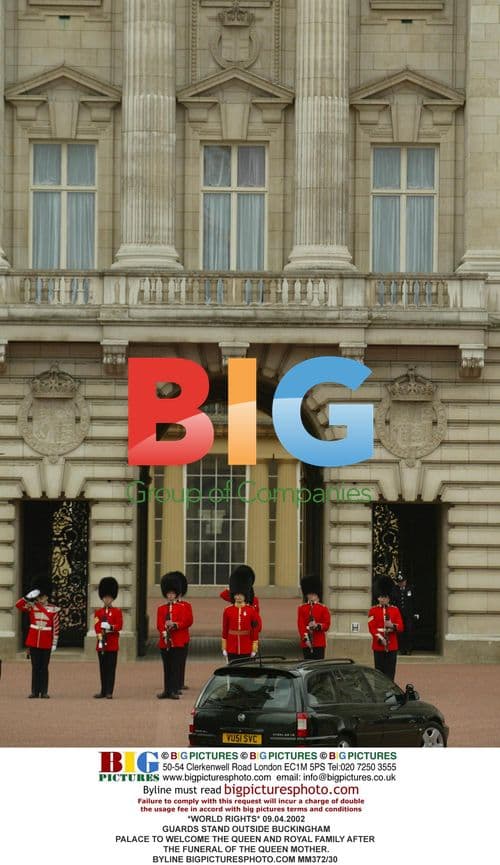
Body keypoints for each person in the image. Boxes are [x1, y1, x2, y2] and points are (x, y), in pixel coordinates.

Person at [16, 578, 60, 698]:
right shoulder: (32, 606)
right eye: (39, 596)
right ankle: (35, 691)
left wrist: (54, 642)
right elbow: (18, 605)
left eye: (43, 596)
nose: (40, 598)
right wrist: (27, 597)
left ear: (47, 596)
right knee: (35, 667)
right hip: (34, 641)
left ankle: (44, 691)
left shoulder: (53, 609)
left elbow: (56, 626)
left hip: (46, 642)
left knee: (44, 667)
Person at [157, 572, 192, 699]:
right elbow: (159, 623)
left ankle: (173, 689)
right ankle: (167, 690)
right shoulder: (161, 608)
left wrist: (175, 625)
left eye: (172, 594)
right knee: (167, 667)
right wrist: (164, 631)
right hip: (165, 641)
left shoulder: (182, 607)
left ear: (176, 594)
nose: (170, 596)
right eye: (168, 594)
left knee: (175, 666)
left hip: (177, 641)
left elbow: (185, 622)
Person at [368, 576, 404, 681]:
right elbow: (371, 627)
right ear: (378, 598)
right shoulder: (372, 611)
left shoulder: (395, 610)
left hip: (392, 645)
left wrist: (392, 625)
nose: (382, 599)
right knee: (379, 672)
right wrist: (380, 638)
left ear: (389, 598)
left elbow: (401, 627)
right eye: (380, 597)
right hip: (378, 645)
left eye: (384, 597)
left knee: (390, 672)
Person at [222, 568, 261, 662]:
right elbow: (223, 595)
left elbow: (256, 622)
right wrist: (233, 586)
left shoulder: (254, 601)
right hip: (233, 644)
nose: (238, 596)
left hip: (247, 639)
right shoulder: (229, 609)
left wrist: (254, 646)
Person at [94, 576, 123, 699]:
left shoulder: (117, 612)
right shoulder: (98, 612)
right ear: (102, 598)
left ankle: (109, 691)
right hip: (102, 643)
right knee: (103, 668)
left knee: (111, 669)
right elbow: (96, 626)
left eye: (109, 597)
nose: (107, 599)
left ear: (112, 598)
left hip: (112, 644)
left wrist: (110, 627)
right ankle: (103, 690)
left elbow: (119, 626)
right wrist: (101, 635)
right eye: (105, 597)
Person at [297, 575, 331, 659]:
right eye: (309, 594)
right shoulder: (302, 608)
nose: (311, 596)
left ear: (317, 594)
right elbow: (301, 625)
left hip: (319, 642)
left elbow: (326, 625)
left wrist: (317, 626)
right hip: (306, 642)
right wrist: (306, 639)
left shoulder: (323, 608)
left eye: (313, 594)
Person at [391, 571, 419, 655]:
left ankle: (409, 649)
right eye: (399, 582)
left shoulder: (410, 589)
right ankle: (402, 649)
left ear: (405, 581)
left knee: (409, 631)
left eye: (402, 582)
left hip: (409, 614)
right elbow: (393, 602)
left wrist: (416, 613)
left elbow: (415, 602)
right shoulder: (394, 590)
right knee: (400, 632)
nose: (401, 584)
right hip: (398, 615)